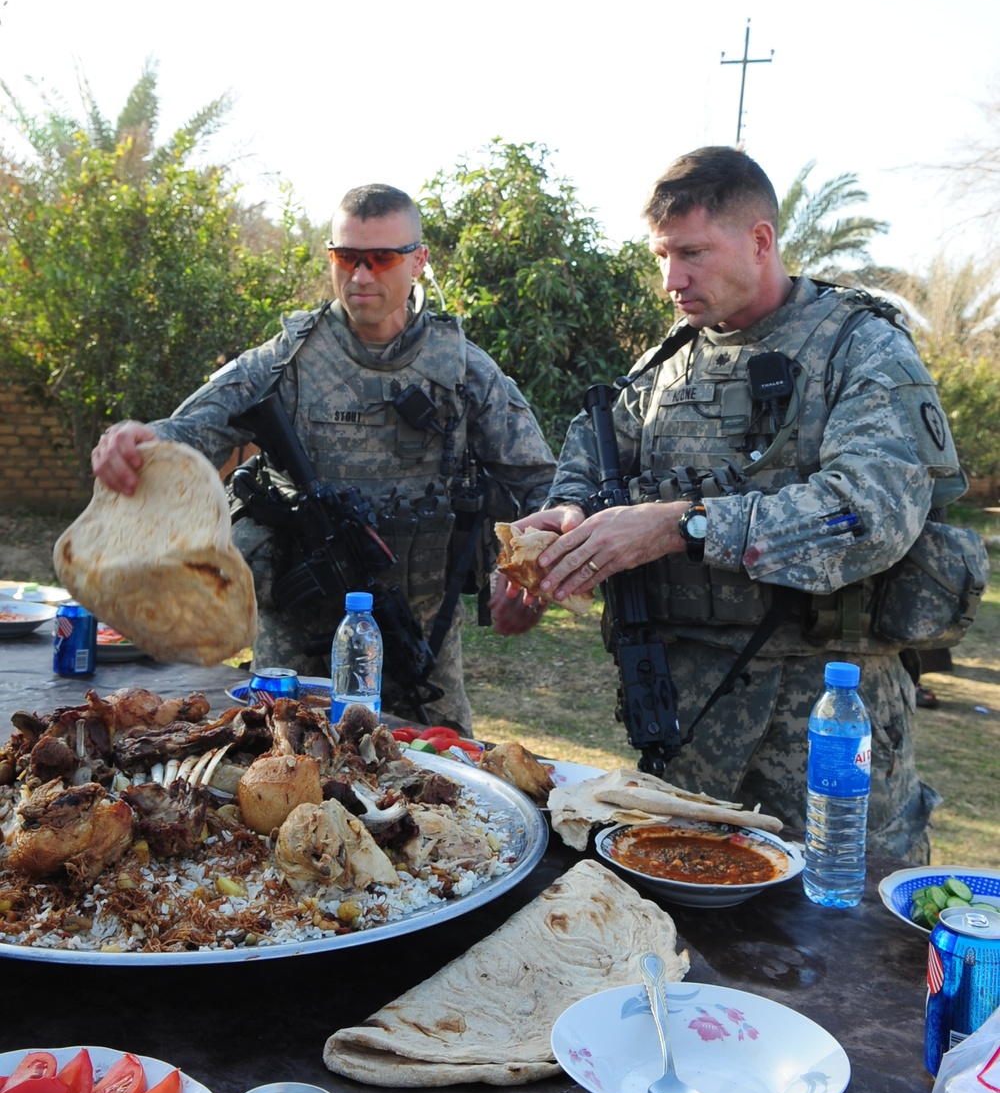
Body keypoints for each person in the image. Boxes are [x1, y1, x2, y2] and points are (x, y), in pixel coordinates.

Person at [511, 145, 977, 862]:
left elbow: (869, 514)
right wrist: (566, 518)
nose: (672, 279)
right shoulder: (667, 366)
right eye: (662, 255)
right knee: (677, 922)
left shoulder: (860, 350)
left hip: (823, 725)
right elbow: (587, 456)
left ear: (761, 241)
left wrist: (685, 526)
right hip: (682, 727)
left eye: (692, 252)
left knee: (837, 942)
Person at [92, 183, 556, 735]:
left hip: (418, 638)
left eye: (381, 258)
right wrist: (138, 439)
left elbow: (538, 484)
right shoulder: (285, 358)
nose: (361, 276)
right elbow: (193, 428)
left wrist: (532, 572)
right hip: (293, 641)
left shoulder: (462, 370)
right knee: (277, 779)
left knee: (443, 777)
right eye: (346, 257)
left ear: (419, 261)